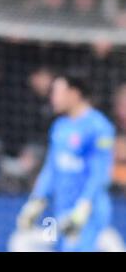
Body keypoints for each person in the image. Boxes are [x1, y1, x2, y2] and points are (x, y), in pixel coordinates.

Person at [16, 71, 115, 251]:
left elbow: (100, 173)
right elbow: (52, 168)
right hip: (61, 209)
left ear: (74, 93)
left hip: (88, 213)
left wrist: (84, 206)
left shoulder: (99, 127)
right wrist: (36, 200)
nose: (53, 97)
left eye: (58, 92)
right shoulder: (59, 126)